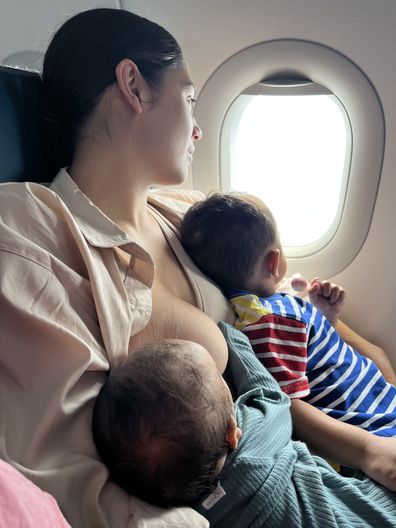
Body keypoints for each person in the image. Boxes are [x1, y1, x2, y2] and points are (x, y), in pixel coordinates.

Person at [0, 7, 230, 528]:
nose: (199, 129)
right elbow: (77, 486)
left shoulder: (182, 212)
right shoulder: (29, 228)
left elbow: (268, 314)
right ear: (134, 86)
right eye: (190, 99)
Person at [92, 323, 396, 527]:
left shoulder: (195, 515)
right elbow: (272, 395)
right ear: (232, 433)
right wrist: (232, 335)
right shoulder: (255, 440)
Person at [181, 192, 396, 465]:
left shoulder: (275, 308)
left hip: (380, 401)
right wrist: (370, 451)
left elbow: (315, 354)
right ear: (273, 262)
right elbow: (293, 405)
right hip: (376, 423)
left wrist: (326, 317)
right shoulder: (270, 323)